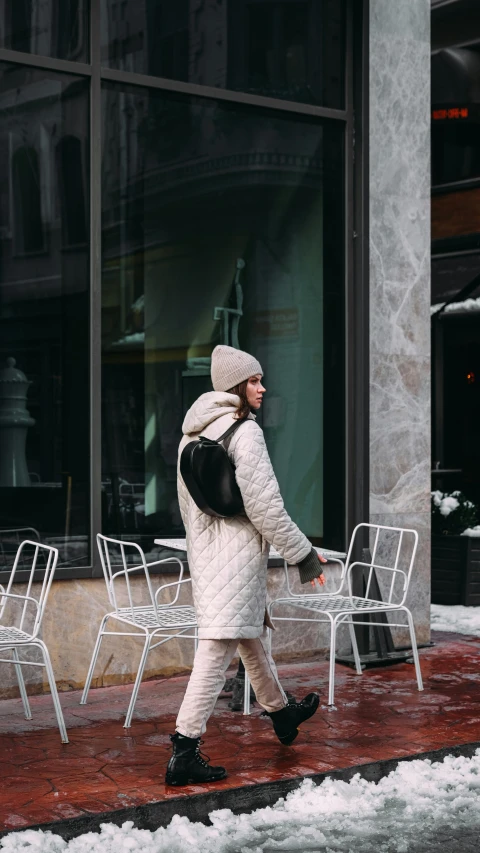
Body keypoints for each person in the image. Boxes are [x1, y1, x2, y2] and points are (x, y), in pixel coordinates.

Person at [166, 344, 327, 786]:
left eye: (260, 379)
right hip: (235, 557)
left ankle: (281, 714)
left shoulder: (192, 433)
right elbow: (267, 509)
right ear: (236, 386)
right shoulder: (244, 431)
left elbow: (191, 510)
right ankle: (184, 747)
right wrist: (304, 555)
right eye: (254, 381)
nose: (262, 387)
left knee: (248, 635)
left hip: (208, 556)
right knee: (218, 649)